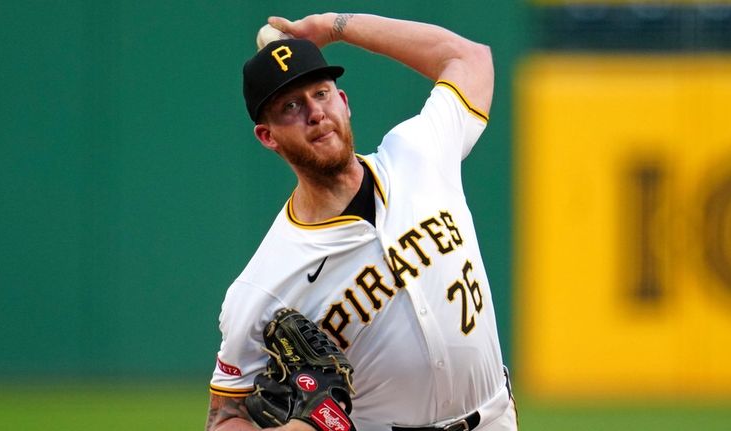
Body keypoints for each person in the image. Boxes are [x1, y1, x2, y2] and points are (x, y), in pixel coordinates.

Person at [206, 12, 516, 431]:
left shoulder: (419, 153)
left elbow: (469, 57)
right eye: (291, 106)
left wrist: (337, 26)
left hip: (497, 417)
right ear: (268, 136)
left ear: (345, 103)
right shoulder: (262, 286)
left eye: (321, 93)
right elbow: (225, 416)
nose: (315, 113)